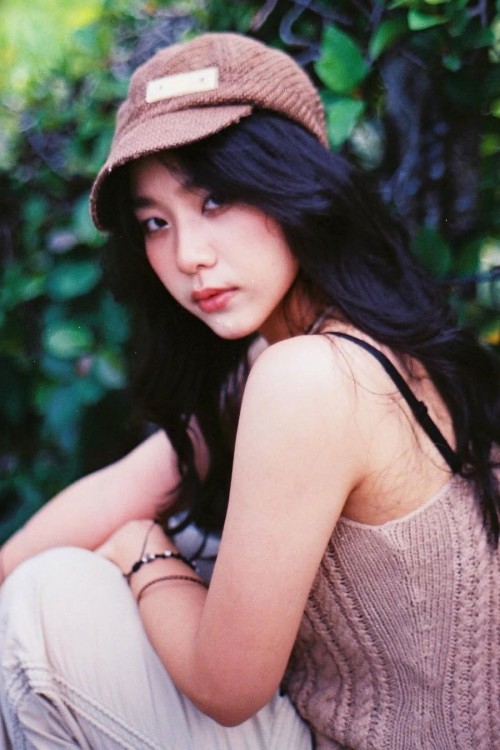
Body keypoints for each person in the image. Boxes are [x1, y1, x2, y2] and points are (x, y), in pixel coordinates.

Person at [0, 31, 499, 750]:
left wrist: (144, 550)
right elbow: (88, 510)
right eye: (155, 223)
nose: (188, 256)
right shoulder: (306, 353)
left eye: (217, 199)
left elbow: (228, 685)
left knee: (49, 600)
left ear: (294, 186)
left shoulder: (313, 379)